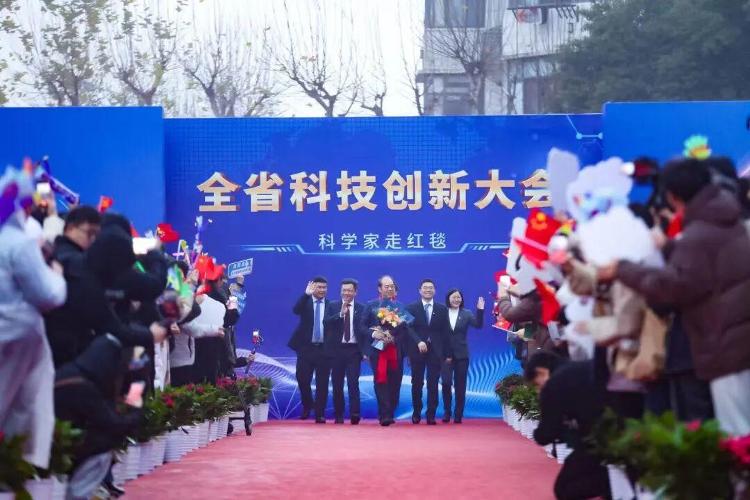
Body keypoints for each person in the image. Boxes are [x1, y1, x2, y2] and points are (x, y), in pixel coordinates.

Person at [599, 158, 750, 435]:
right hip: (733, 343)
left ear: (672, 196)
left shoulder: (699, 234)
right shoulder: (727, 222)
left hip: (724, 348)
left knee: (736, 435)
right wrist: (669, 249)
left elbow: (673, 287)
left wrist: (623, 269)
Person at [0, 167, 67, 469]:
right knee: (24, 405)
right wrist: (57, 275)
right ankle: (21, 468)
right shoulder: (18, 242)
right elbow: (49, 295)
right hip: (18, 335)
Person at [54, 334, 143, 500]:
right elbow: (111, 423)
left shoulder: (67, 373)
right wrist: (135, 411)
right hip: (67, 450)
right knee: (104, 442)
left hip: (55, 445)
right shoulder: (83, 386)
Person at [526, 351, 611, 500]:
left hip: (601, 440)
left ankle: (613, 484)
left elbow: (546, 434)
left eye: (537, 385)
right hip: (622, 429)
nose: (538, 390)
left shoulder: (555, 384)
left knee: (565, 488)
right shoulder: (580, 367)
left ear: (541, 372)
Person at [364, 275, 413, 426]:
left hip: (396, 349)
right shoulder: (371, 305)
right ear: (379, 289)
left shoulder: (400, 307)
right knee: (381, 380)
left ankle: (391, 411)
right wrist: (374, 334)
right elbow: (362, 327)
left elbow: (405, 329)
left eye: (392, 286)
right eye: (387, 286)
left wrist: (392, 337)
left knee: (395, 382)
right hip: (377, 349)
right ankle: (384, 414)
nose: (390, 289)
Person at [323, 278, 368, 424]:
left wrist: (366, 351)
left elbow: (365, 331)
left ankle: (355, 414)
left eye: (349, 290)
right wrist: (340, 315)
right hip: (336, 350)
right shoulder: (332, 305)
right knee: (337, 384)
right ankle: (339, 414)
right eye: (344, 290)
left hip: (354, 351)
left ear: (355, 292)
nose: (346, 293)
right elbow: (326, 323)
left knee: (353, 383)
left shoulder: (362, 308)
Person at [405, 279, 450, 425]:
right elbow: (408, 328)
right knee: (417, 382)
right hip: (417, 349)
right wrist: (418, 341)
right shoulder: (411, 307)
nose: (428, 290)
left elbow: (446, 332)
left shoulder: (442, 309)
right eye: (425, 288)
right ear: (420, 290)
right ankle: (416, 413)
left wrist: (446, 353)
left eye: (431, 288)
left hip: (436, 351)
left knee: (433, 383)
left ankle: (431, 414)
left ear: (435, 291)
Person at [288, 277, 330, 422]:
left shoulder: (331, 305)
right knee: (302, 378)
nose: (322, 290)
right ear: (313, 288)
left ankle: (320, 413)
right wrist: (306, 294)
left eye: (324, 287)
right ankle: (307, 404)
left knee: (322, 383)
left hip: (324, 349)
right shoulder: (305, 302)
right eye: (319, 287)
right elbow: (295, 310)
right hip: (305, 348)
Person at [442, 289, 484, 423]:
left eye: (458, 297)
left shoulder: (467, 313)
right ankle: (447, 412)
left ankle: (458, 414)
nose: (456, 300)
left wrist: (480, 310)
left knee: (460, 385)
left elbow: (478, 325)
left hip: (461, 354)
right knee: (446, 383)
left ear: (461, 299)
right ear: (448, 299)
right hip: (445, 354)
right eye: (453, 297)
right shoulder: (442, 312)